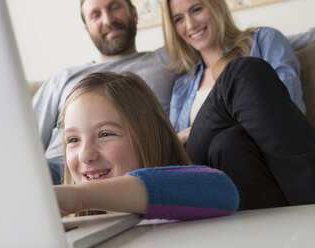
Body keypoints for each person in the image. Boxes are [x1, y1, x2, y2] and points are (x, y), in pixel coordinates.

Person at [161, 0, 315, 210]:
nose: (190, 24)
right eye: (178, 19)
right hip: (201, 165)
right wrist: (185, 135)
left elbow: (288, 109)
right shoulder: (182, 84)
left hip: (248, 158)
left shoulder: (263, 40)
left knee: (228, 142)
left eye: (196, 10)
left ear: (216, 6)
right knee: (240, 73)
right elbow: (175, 148)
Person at [54, 71, 239, 220]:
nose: (85, 155)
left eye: (105, 134)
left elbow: (223, 190)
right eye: (73, 140)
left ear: (148, 137)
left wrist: (80, 196)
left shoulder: (182, 198)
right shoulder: (74, 224)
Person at [33, 0, 177, 184]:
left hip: (120, 165)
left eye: (114, 7)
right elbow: (25, 142)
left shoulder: (168, 59)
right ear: (87, 29)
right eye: (95, 15)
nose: (108, 20)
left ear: (134, 13)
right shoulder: (63, 78)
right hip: (56, 167)